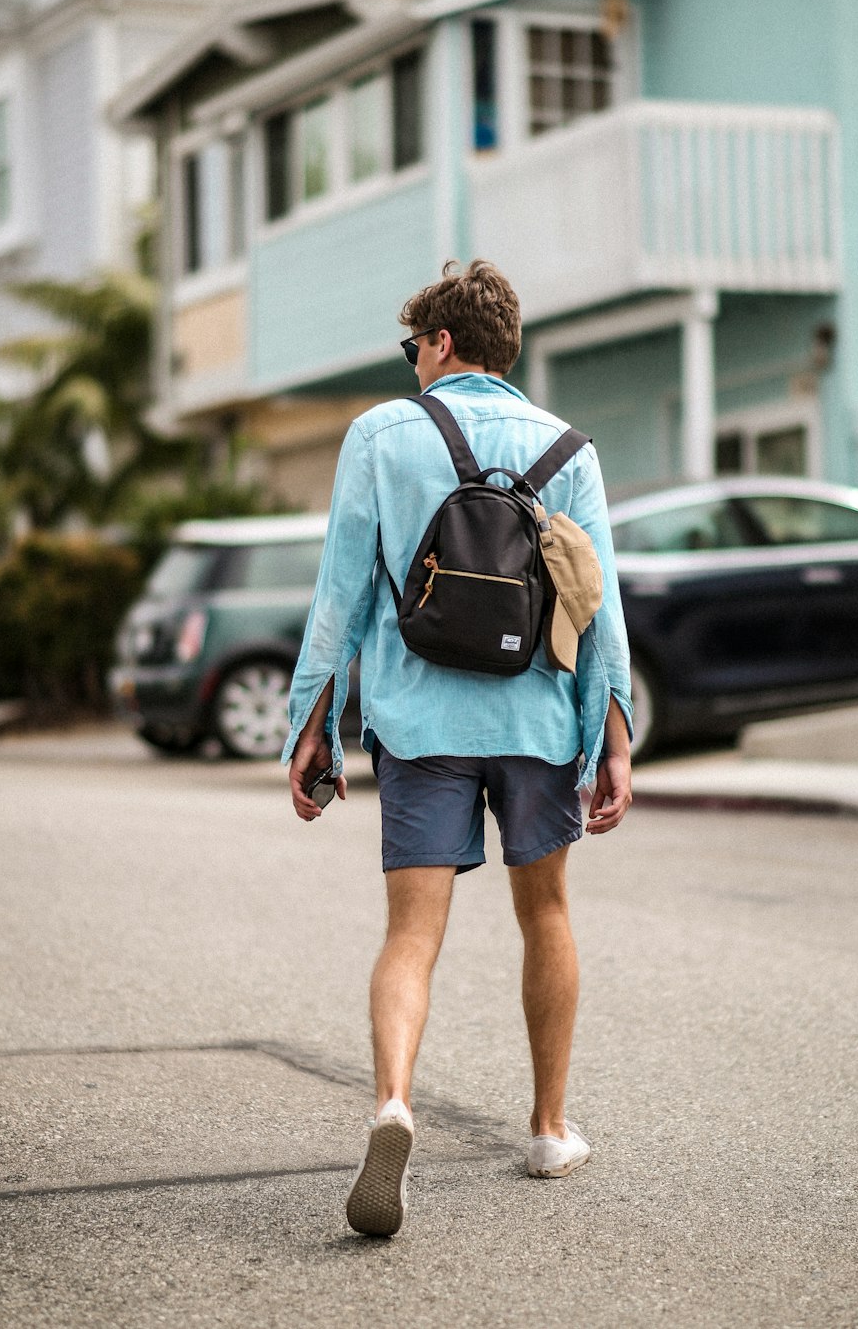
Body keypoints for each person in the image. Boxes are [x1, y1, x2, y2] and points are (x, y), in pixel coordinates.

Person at [284, 260, 633, 1237]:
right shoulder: (569, 448)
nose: (413, 366)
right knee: (548, 913)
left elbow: (340, 595)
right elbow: (597, 606)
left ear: (440, 343)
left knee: (410, 936)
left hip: (421, 720)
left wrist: (311, 725)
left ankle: (395, 1102)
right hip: (537, 722)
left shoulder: (380, 436)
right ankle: (550, 1128)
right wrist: (617, 735)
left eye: (414, 349)